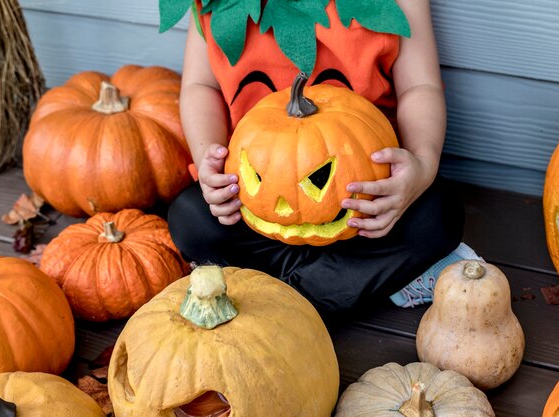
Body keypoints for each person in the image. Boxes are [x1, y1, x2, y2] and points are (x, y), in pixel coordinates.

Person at [168, 0, 480, 314]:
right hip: (255, 201)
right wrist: (208, 152)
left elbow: (419, 86)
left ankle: (284, 301)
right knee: (191, 218)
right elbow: (200, 85)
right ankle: (334, 286)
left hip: (366, 210)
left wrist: (422, 164)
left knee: (438, 215)